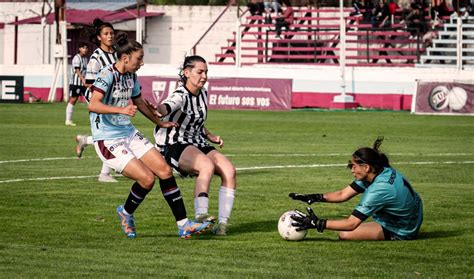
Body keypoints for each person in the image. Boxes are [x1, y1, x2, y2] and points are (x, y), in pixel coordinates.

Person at [88, 32, 211, 239]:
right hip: (107, 139)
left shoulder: (131, 76)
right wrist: (121, 111)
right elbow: (93, 104)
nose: (142, 63)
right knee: (146, 179)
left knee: (164, 170)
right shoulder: (107, 75)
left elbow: (139, 102)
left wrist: (159, 122)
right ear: (125, 58)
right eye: (139, 58)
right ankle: (126, 213)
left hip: (128, 132)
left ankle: (183, 225)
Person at [153, 55, 237, 236]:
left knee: (229, 170)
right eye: (200, 72)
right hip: (175, 143)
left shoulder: (203, 93)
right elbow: (167, 107)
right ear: (187, 73)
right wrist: (158, 109)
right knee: (206, 166)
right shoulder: (180, 95)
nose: (204, 76)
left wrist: (210, 135)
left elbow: (195, 119)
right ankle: (200, 217)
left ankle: (222, 225)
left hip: (197, 141)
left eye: (206, 72)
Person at [289, 137, 423, 241]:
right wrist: (314, 197)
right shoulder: (381, 171)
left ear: (366, 167)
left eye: (354, 166)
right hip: (413, 216)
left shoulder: (379, 190)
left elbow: (351, 224)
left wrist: (317, 223)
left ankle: (400, 235)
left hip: (403, 228)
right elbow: (342, 195)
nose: (352, 170)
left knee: (345, 234)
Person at [75, 18, 119, 183]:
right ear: (99, 37)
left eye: (111, 33)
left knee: (113, 134)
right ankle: (104, 174)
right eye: (106, 34)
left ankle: (84, 140)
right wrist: (101, 103)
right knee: (110, 134)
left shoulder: (116, 52)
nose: (110, 36)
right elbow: (91, 84)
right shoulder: (96, 58)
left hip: (113, 99)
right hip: (97, 99)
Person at [65, 42, 89, 127]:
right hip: (76, 83)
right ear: (79, 49)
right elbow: (77, 70)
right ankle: (68, 120)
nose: (85, 50)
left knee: (90, 99)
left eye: (86, 48)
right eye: (83, 48)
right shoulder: (76, 58)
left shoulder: (86, 59)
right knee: (73, 100)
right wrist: (83, 79)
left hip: (84, 84)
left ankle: (97, 120)